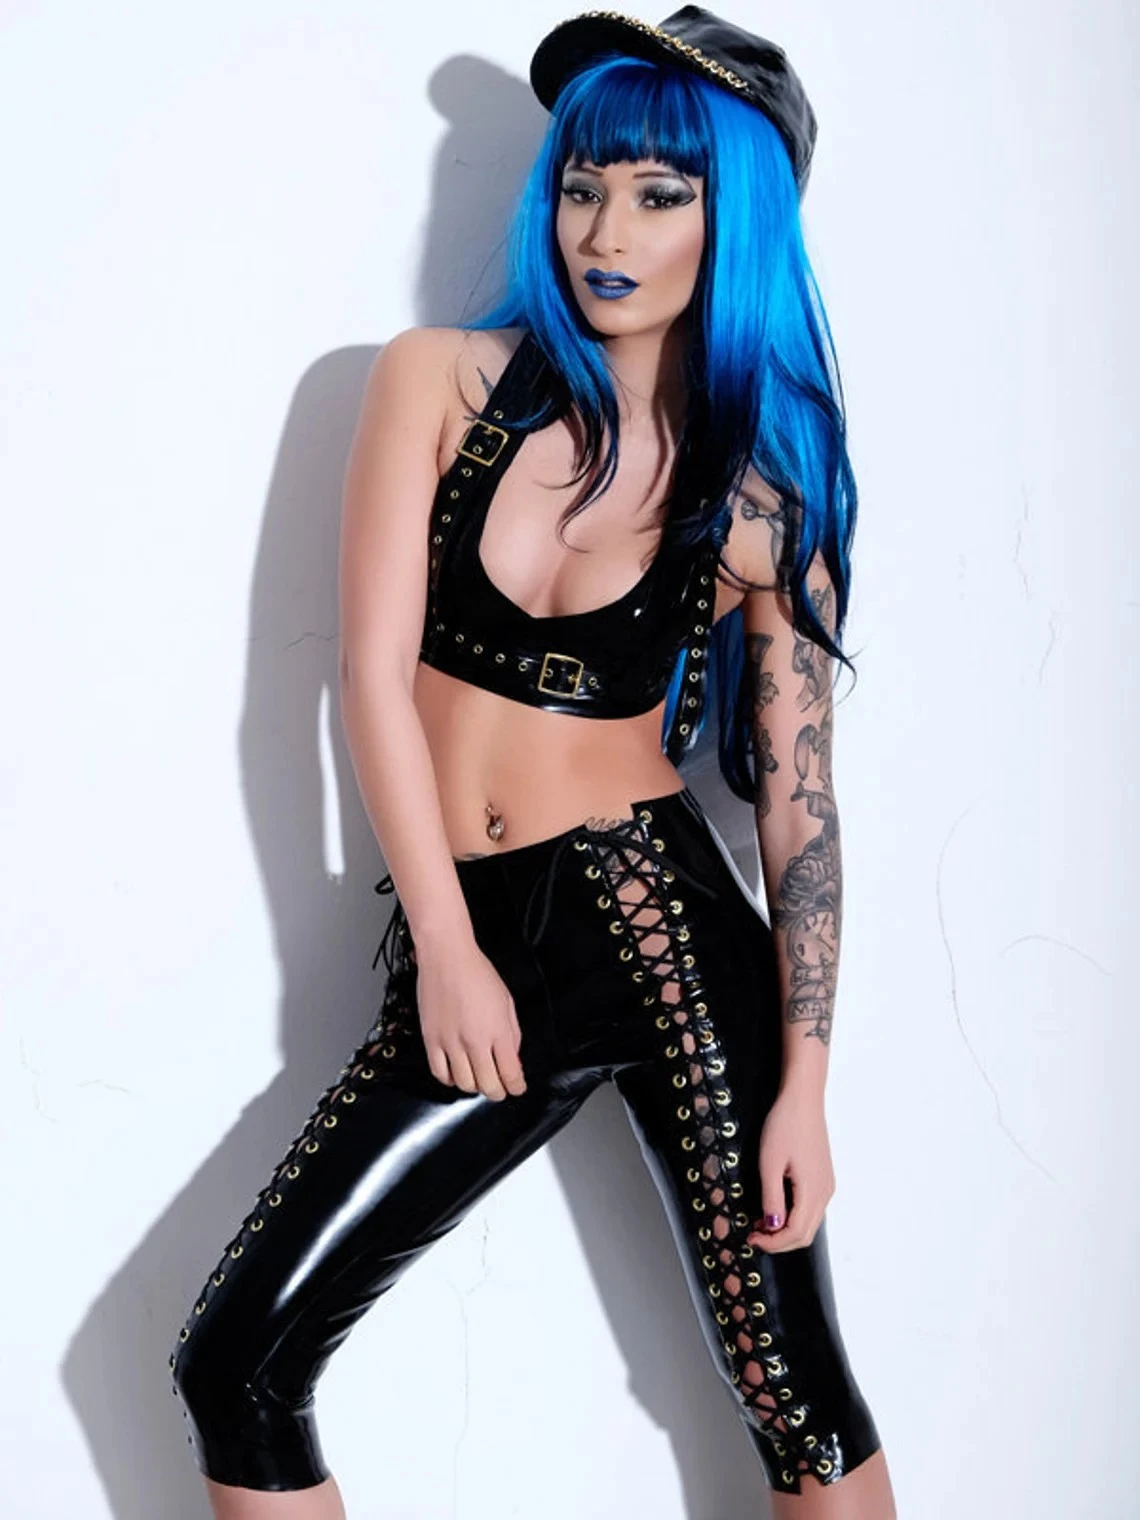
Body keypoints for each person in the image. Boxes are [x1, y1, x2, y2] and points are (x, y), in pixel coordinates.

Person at [168, 7, 898, 1516]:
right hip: (480, 938)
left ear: (738, 222)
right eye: (583, 184)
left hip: (668, 938)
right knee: (238, 1363)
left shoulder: (764, 494)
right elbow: (370, 680)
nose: (605, 232)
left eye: (659, 193)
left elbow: (800, 814)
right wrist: (447, 949)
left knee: (794, 1395)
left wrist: (807, 1088)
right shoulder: (438, 382)